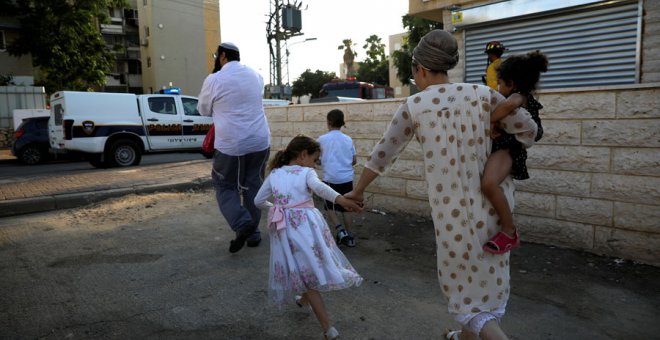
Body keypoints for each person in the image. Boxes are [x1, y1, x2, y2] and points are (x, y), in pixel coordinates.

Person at [345, 30, 538, 340]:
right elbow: (529, 130)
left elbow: (384, 153)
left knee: (466, 292)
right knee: (486, 283)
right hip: (495, 210)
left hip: (452, 216)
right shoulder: (484, 94)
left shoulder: (414, 105)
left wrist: (358, 190)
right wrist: (500, 141)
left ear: (420, 69)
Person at [254, 135, 364, 340]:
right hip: (305, 227)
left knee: (303, 264)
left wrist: (278, 209)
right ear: (303, 155)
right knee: (309, 268)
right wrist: (341, 200)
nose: (315, 163)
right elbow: (320, 188)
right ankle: (328, 329)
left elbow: (258, 200)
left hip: (284, 226)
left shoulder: (275, 174)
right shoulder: (306, 172)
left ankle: (303, 299)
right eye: (315, 159)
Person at [197, 42, 271, 253]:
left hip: (231, 144)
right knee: (252, 186)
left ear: (222, 56)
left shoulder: (215, 79)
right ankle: (254, 234)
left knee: (225, 186)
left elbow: (203, 109)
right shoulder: (256, 76)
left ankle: (242, 224)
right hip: (260, 140)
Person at [481, 51, 548, 255]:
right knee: (489, 184)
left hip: (510, 150)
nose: (498, 88)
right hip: (508, 146)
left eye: (500, 83)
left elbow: (508, 105)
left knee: (488, 184)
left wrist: (490, 120)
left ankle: (509, 231)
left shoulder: (517, 97)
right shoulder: (522, 97)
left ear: (512, 83)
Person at [318, 109, 358, 247]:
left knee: (329, 206)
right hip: (346, 179)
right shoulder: (348, 139)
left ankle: (340, 231)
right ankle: (350, 236)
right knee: (346, 207)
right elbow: (354, 160)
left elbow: (317, 159)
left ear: (328, 122)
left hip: (330, 179)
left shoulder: (322, 140)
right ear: (342, 123)